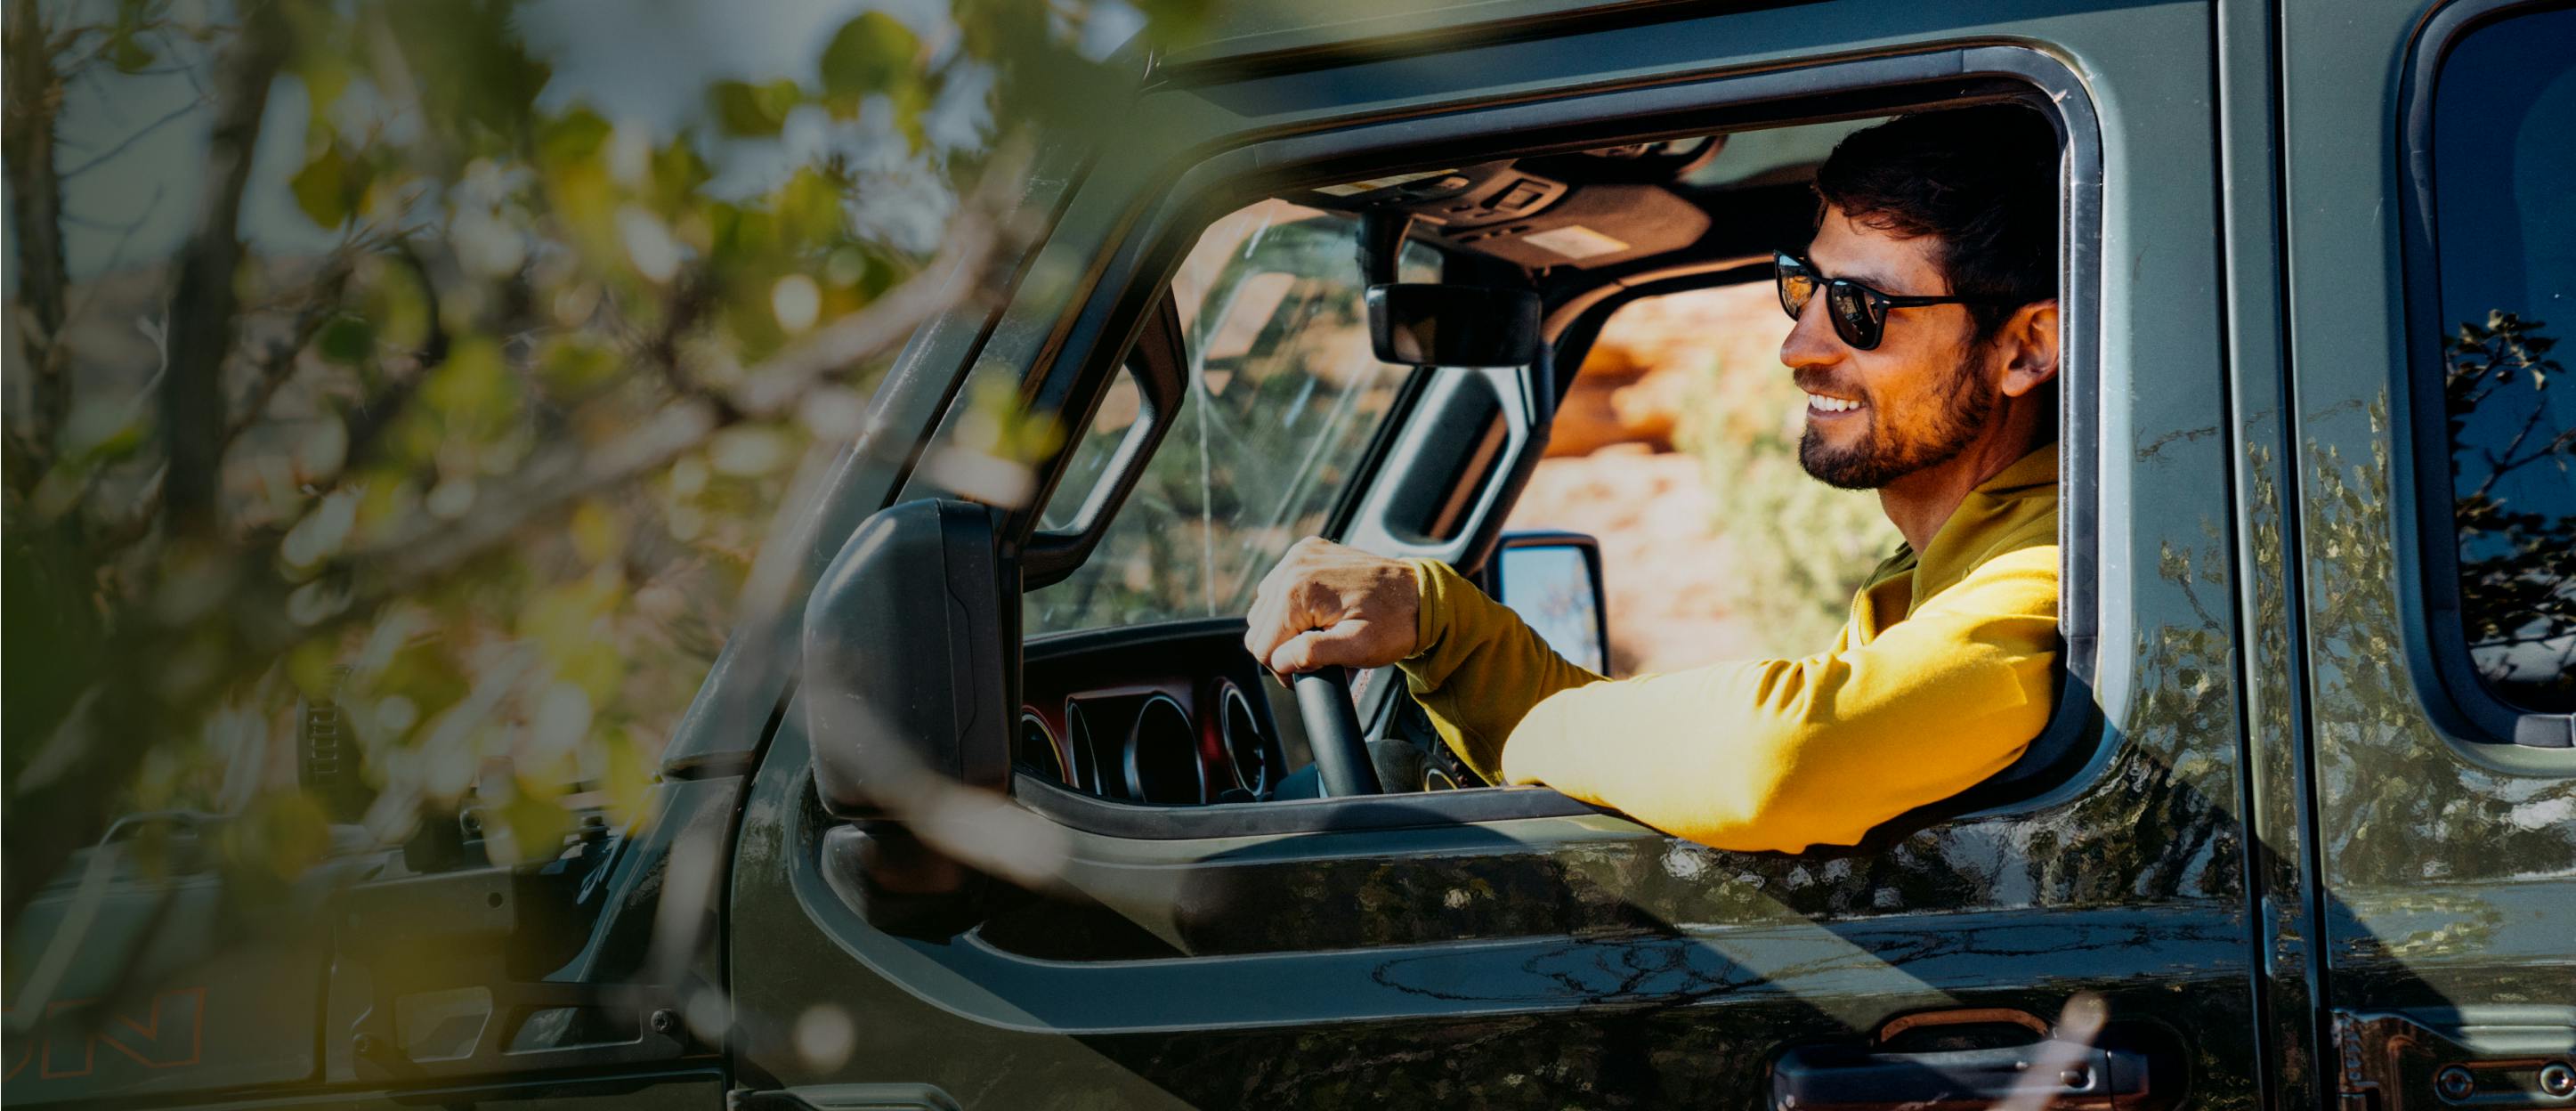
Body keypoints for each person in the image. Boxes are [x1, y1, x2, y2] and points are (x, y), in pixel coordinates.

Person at [1240, 105, 2063, 852]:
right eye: (1805, 287)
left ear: (2024, 348)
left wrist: (1529, 727)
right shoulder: (1938, 569)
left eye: (1859, 307)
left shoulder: (2058, 567)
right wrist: (1443, 626)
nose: (1799, 347)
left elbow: (1787, 758)